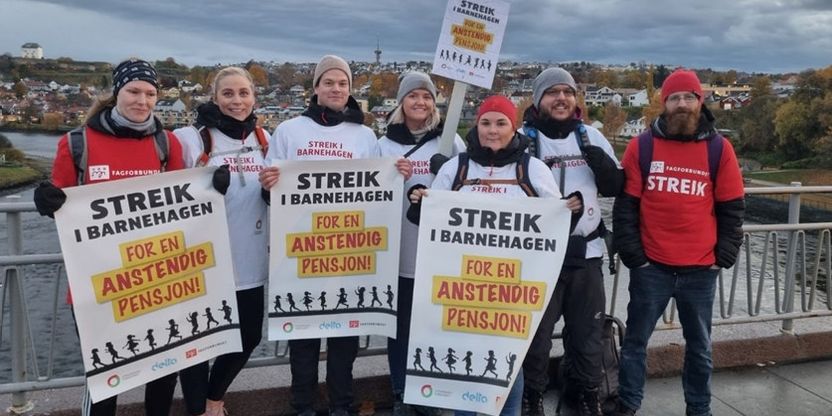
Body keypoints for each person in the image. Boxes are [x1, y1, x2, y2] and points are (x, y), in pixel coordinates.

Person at [258, 54, 412, 416]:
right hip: (300, 253)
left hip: (348, 251)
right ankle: (303, 406)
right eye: (329, 82)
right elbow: (269, 193)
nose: (336, 89)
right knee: (303, 341)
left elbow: (377, 194)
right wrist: (268, 186)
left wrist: (396, 175)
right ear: (316, 88)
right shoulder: (289, 130)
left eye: (343, 83)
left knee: (345, 339)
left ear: (350, 89)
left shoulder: (363, 135)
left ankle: (342, 405)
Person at [33, 58, 185, 416]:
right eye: (133, 91)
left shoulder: (168, 143)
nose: (142, 101)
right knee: (107, 374)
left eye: (150, 94)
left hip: (155, 278)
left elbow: (185, 203)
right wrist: (46, 200)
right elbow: (60, 200)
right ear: (116, 92)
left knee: (163, 369)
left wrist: (212, 188)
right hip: (97, 283)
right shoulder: (77, 143)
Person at [408, 95, 578, 416]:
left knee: (506, 370)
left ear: (513, 128)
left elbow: (557, 223)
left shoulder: (533, 169)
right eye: (486, 122)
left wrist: (572, 208)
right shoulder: (454, 168)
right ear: (477, 125)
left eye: (501, 123)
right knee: (466, 369)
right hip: (462, 289)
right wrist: (419, 201)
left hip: (510, 290)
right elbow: (429, 221)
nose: (492, 130)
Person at [612, 69, 745, 416]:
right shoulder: (642, 146)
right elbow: (626, 207)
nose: (682, 104)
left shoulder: (719, 149)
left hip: (701, 269)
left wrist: (723, 256)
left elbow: (732, 209)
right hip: (651, 266)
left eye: (689, 97)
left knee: (700, 347)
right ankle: (628, 404)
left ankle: (699, 409)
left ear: (700, 102)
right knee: (635, 343)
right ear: (664, 103)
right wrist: (635, 256)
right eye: (674, 98)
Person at [517, 67, 623, 416]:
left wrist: (608, 171)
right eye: (552, 92)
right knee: (534, 337)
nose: (561, 98)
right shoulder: (521, 139)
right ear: (538, 100)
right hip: (538, 256)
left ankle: (587, 394)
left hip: (587, 251)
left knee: (588, 334)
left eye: (567, 92)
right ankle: (532, 397)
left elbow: (616, 187)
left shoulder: (591, 137)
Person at [175, 66, 268, 416]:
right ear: (214, 98)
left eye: (244, 93)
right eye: (228, 94)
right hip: (202, 262)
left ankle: (214, 397)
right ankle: (200, 409)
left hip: (249, 258)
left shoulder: (263, 138)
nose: (237, 101)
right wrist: (204, 190)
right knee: (198, 344)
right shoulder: (192, 138)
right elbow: (165, 190)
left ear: (254, 97)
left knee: (248, 338)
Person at [377, 71, 466, 416]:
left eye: (427, 97)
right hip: (397, 251)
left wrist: (450, 172)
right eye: (413, 96)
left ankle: (436, 392)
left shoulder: (450, 143)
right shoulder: (383, 145)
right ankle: (402, 391)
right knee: (400, 330)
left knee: (437, 327)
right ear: (401, 102)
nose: (421, 102)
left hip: (439, 254)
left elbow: (469, 189)